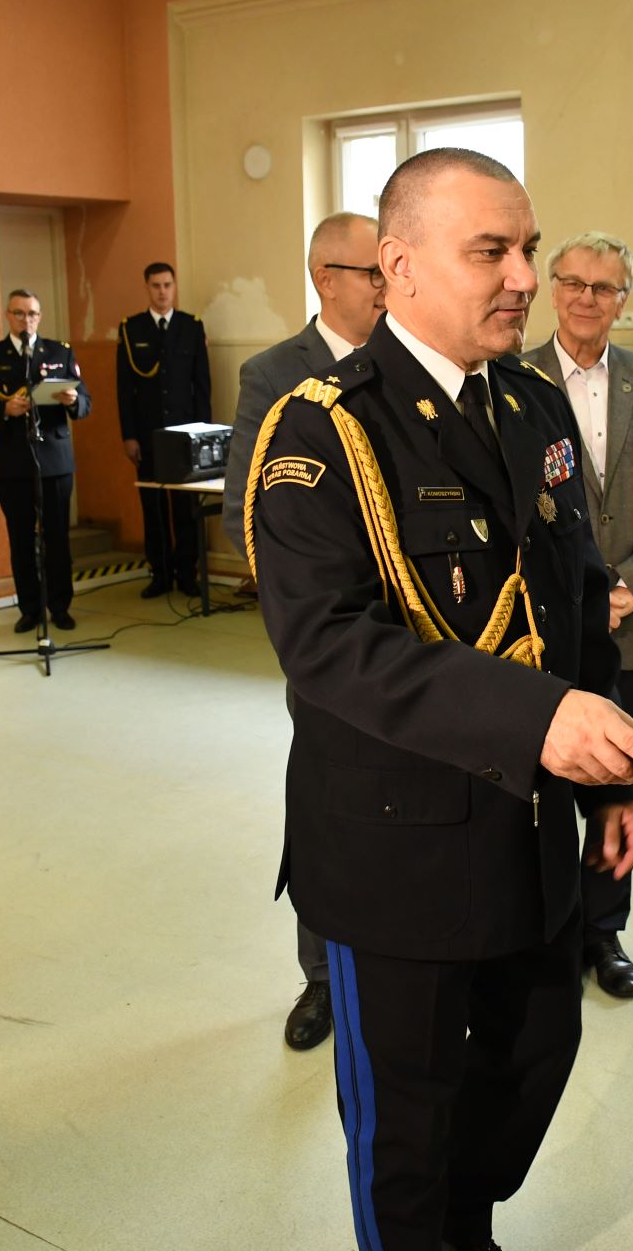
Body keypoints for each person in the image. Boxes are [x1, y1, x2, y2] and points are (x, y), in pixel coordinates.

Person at [244, 147, 633, 1251]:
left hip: (530, 830)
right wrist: (537, 720)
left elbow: (574, 601)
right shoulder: (322, 428)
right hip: (398, 850)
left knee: (532, 1059)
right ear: (400, 264)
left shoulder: (529, 405)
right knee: (408, 1132)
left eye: (527, 248)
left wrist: (610, 778)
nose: (524, 277)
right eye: (492, 252)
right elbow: (327, 644)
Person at [224, 210, 387, 1052]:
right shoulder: (274, 375)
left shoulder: (403, 362)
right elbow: (244, 513)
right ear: (327, 278)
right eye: (373, 273)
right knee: (327, 807)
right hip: (330, 641)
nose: (388, 286)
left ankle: (399, 960)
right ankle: (322, 977)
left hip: (418, 638)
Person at [523, 231, 633, 1000]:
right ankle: (546, 929)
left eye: (604, 287)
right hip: (538, 631)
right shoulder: (509, 378)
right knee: (544, 786)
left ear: (625, 300)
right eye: (573, 282)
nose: (586, 298)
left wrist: (625, 587)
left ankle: (604, 932)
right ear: (551, 287)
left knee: (621, 783)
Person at [0, 290, 91, 632]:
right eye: (19, 313)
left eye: (32, 314)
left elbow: (85, 404)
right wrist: (3, 409)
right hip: (12, 461)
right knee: (20, 538)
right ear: (8, 316)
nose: (26, 320)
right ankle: (30, 609)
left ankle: (60, 607)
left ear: (40, 316)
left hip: (55, 460)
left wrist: (73, 400)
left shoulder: (59, 352)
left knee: (57, 537)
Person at [116, 262, 212, 598]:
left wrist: (203, 434)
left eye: (167, 285)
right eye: (156, 285)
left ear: (174, 286)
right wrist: (129, 435)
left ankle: (187, 573)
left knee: (185, 508)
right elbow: (124, 389)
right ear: (147, 287)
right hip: (148, 435)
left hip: (185, 434)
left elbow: (202, 386)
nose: (162, 292)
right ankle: (160, 573)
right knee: (153, 507)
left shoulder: (190, 326)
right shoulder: (132, 329)